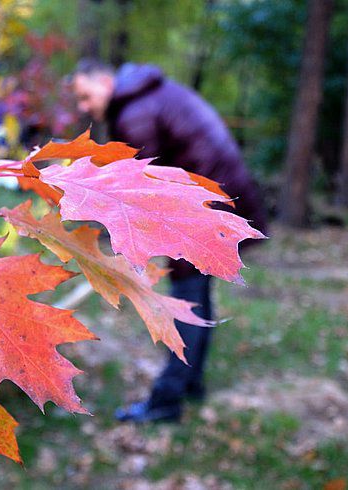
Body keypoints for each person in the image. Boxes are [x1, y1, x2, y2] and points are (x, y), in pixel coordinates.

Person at [71, 59, 268, 423]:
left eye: (86, 96)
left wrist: (129, 240)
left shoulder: (135, 112)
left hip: (201, 209)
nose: (84, 106)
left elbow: (140, 189)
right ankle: (190, 384)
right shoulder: (147, 95)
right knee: (196, 294)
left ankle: (167, 400)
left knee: (186, 301)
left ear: (105, 81)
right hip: (216, 199)